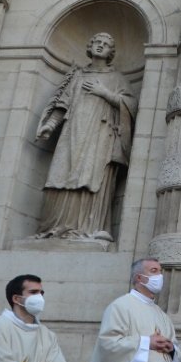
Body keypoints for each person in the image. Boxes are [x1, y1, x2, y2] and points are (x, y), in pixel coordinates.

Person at [34, 32, 136, 241]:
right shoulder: (77, 76)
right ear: (89, 47)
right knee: (59, 176)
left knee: (92, 179)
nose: (100, 46)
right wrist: (50, 126)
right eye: (96, 42)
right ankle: (55, 228)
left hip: (100, 137)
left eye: (106, 44)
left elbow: (130, 106)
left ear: (111, 52)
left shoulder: (116, 79)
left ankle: (88, 228)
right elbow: (62, 105)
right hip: (72, 133)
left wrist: (104, 92)